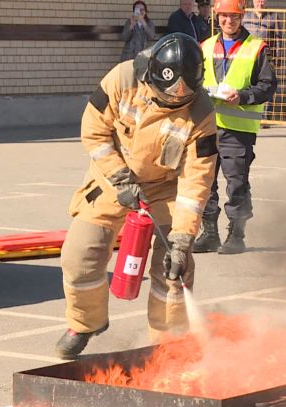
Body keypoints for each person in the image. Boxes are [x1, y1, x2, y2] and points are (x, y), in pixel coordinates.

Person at [56, 33, 218, 359]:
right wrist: (118, 176)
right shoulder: (122, 79)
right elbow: (93, 130)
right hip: (112, 177)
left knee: (175, 268)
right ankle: (85, 323)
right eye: (169, 95)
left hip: (164, 188)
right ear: (153, 76)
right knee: (79, 254)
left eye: (183, 98)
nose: (176, 102)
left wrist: (183, 238)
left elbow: (196, 180)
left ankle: (167, 347)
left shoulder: (201, 114)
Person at [192, 0, 277, 254]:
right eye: (224, 16)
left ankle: (236, 234)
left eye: (234, 16)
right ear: (216, 17)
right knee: (205, 181)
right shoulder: (205, 46)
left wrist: (243, 96)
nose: (229, 21)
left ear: (242, 17)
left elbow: (268, 85)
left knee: (236, 182)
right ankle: (209, 233)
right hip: (207, 125)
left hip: (238, 128)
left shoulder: (257, 48)